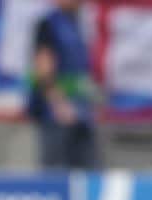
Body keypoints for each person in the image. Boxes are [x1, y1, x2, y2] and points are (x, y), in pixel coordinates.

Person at [27, 0, 99, 169]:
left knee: (87, 173)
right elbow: (44, 69)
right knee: (57, 174)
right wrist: (59, 105)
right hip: (57, 116)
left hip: (81, 115)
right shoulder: (48, 24)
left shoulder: (79, 24)